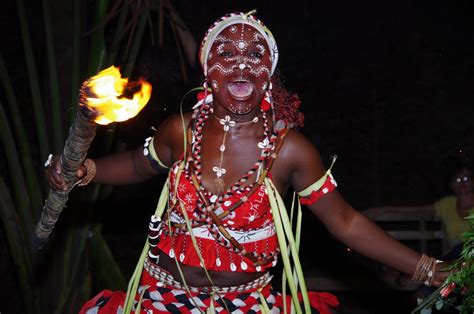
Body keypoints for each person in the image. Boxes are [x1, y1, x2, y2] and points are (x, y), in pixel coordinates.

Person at [45, 11, 449, 314]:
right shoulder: (181, 130)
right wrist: (88, 171)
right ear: (208, 71)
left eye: (254, 54)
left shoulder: (289, 150)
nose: (241, 64)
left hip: (246, 302)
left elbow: (346, 222)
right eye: (226, 53)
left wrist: (428, 269)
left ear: (268, 73)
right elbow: (137, 165)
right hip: (160, 295)